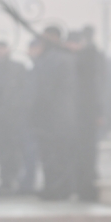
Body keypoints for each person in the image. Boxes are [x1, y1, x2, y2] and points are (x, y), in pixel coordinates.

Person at [30, 27, 78, 200]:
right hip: (59, 115)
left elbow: (45, 89)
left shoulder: (54, 59)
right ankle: (58, 187)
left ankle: (56, 188)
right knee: (56, 154)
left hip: (53, 115)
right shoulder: (63, 57)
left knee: (54, 154)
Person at [71, 26, 106, 201]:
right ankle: (85, 186)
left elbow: (94, 87)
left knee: (84, 152)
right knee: (87, 152)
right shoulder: (92, 56)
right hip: (86, 112)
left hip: (83, 113)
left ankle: (84, 186)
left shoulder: (85, 57)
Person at [0, 41, 30, 195]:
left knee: (15, 149)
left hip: (15, 116)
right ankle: (6, 180)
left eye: (2, 48)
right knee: (4, 149)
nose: (0, 51)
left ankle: (15, 178)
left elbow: (25, 90)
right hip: (0, 117)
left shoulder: (18, 67)